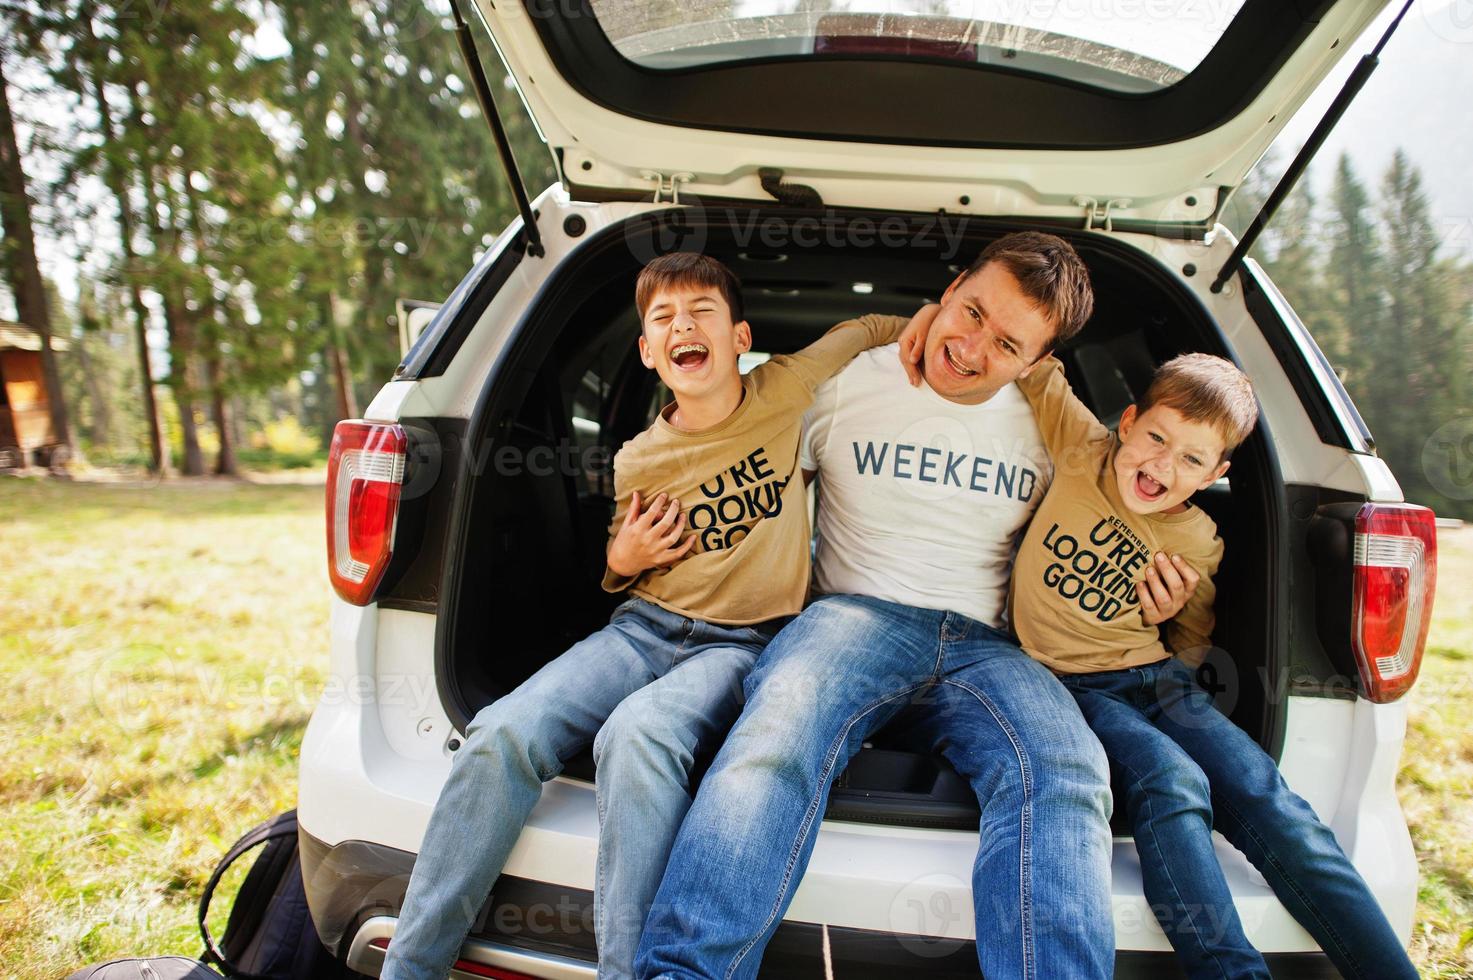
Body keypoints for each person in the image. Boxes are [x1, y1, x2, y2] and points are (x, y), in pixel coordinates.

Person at [635, 232, 1195, 980]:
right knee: (778, 728)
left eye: (1005, 345)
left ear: (1036, 364)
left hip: (987, 650)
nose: (969, 349)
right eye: (968, 313)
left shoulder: (1057, 429)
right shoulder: (844, 383)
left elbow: (1137, 500)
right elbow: (724, 445)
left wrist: (1174, 603)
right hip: (851, 619)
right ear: (953, 286)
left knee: (1067, 766)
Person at [381, 252, 912, 980]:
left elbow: (865, 327)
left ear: (738, 337)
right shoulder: (638, 457)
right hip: (642, 627)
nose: (681, 326)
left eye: (701, 312)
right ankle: (411, 967)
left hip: (738, 646)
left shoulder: (785, 388)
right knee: (499, 731)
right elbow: (615, 568)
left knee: (635, 736)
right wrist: (623, 558)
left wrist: (940, 331)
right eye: (662, 318)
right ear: (647, 352)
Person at [903, 317, 1417, 979]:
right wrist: (946, 323)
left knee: (1273, 801)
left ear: (1215, 473)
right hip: (1074, 689)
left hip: (1160, 679)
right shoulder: (1079, 445)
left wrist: (1171, 622)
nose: (1160, 465)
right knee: (1169, 780)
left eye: (1191, 459)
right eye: (1155, 437)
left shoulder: (1199, 538)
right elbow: (1036, 361)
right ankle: (1231, 970)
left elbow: (1194, 638)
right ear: (1127, 420)